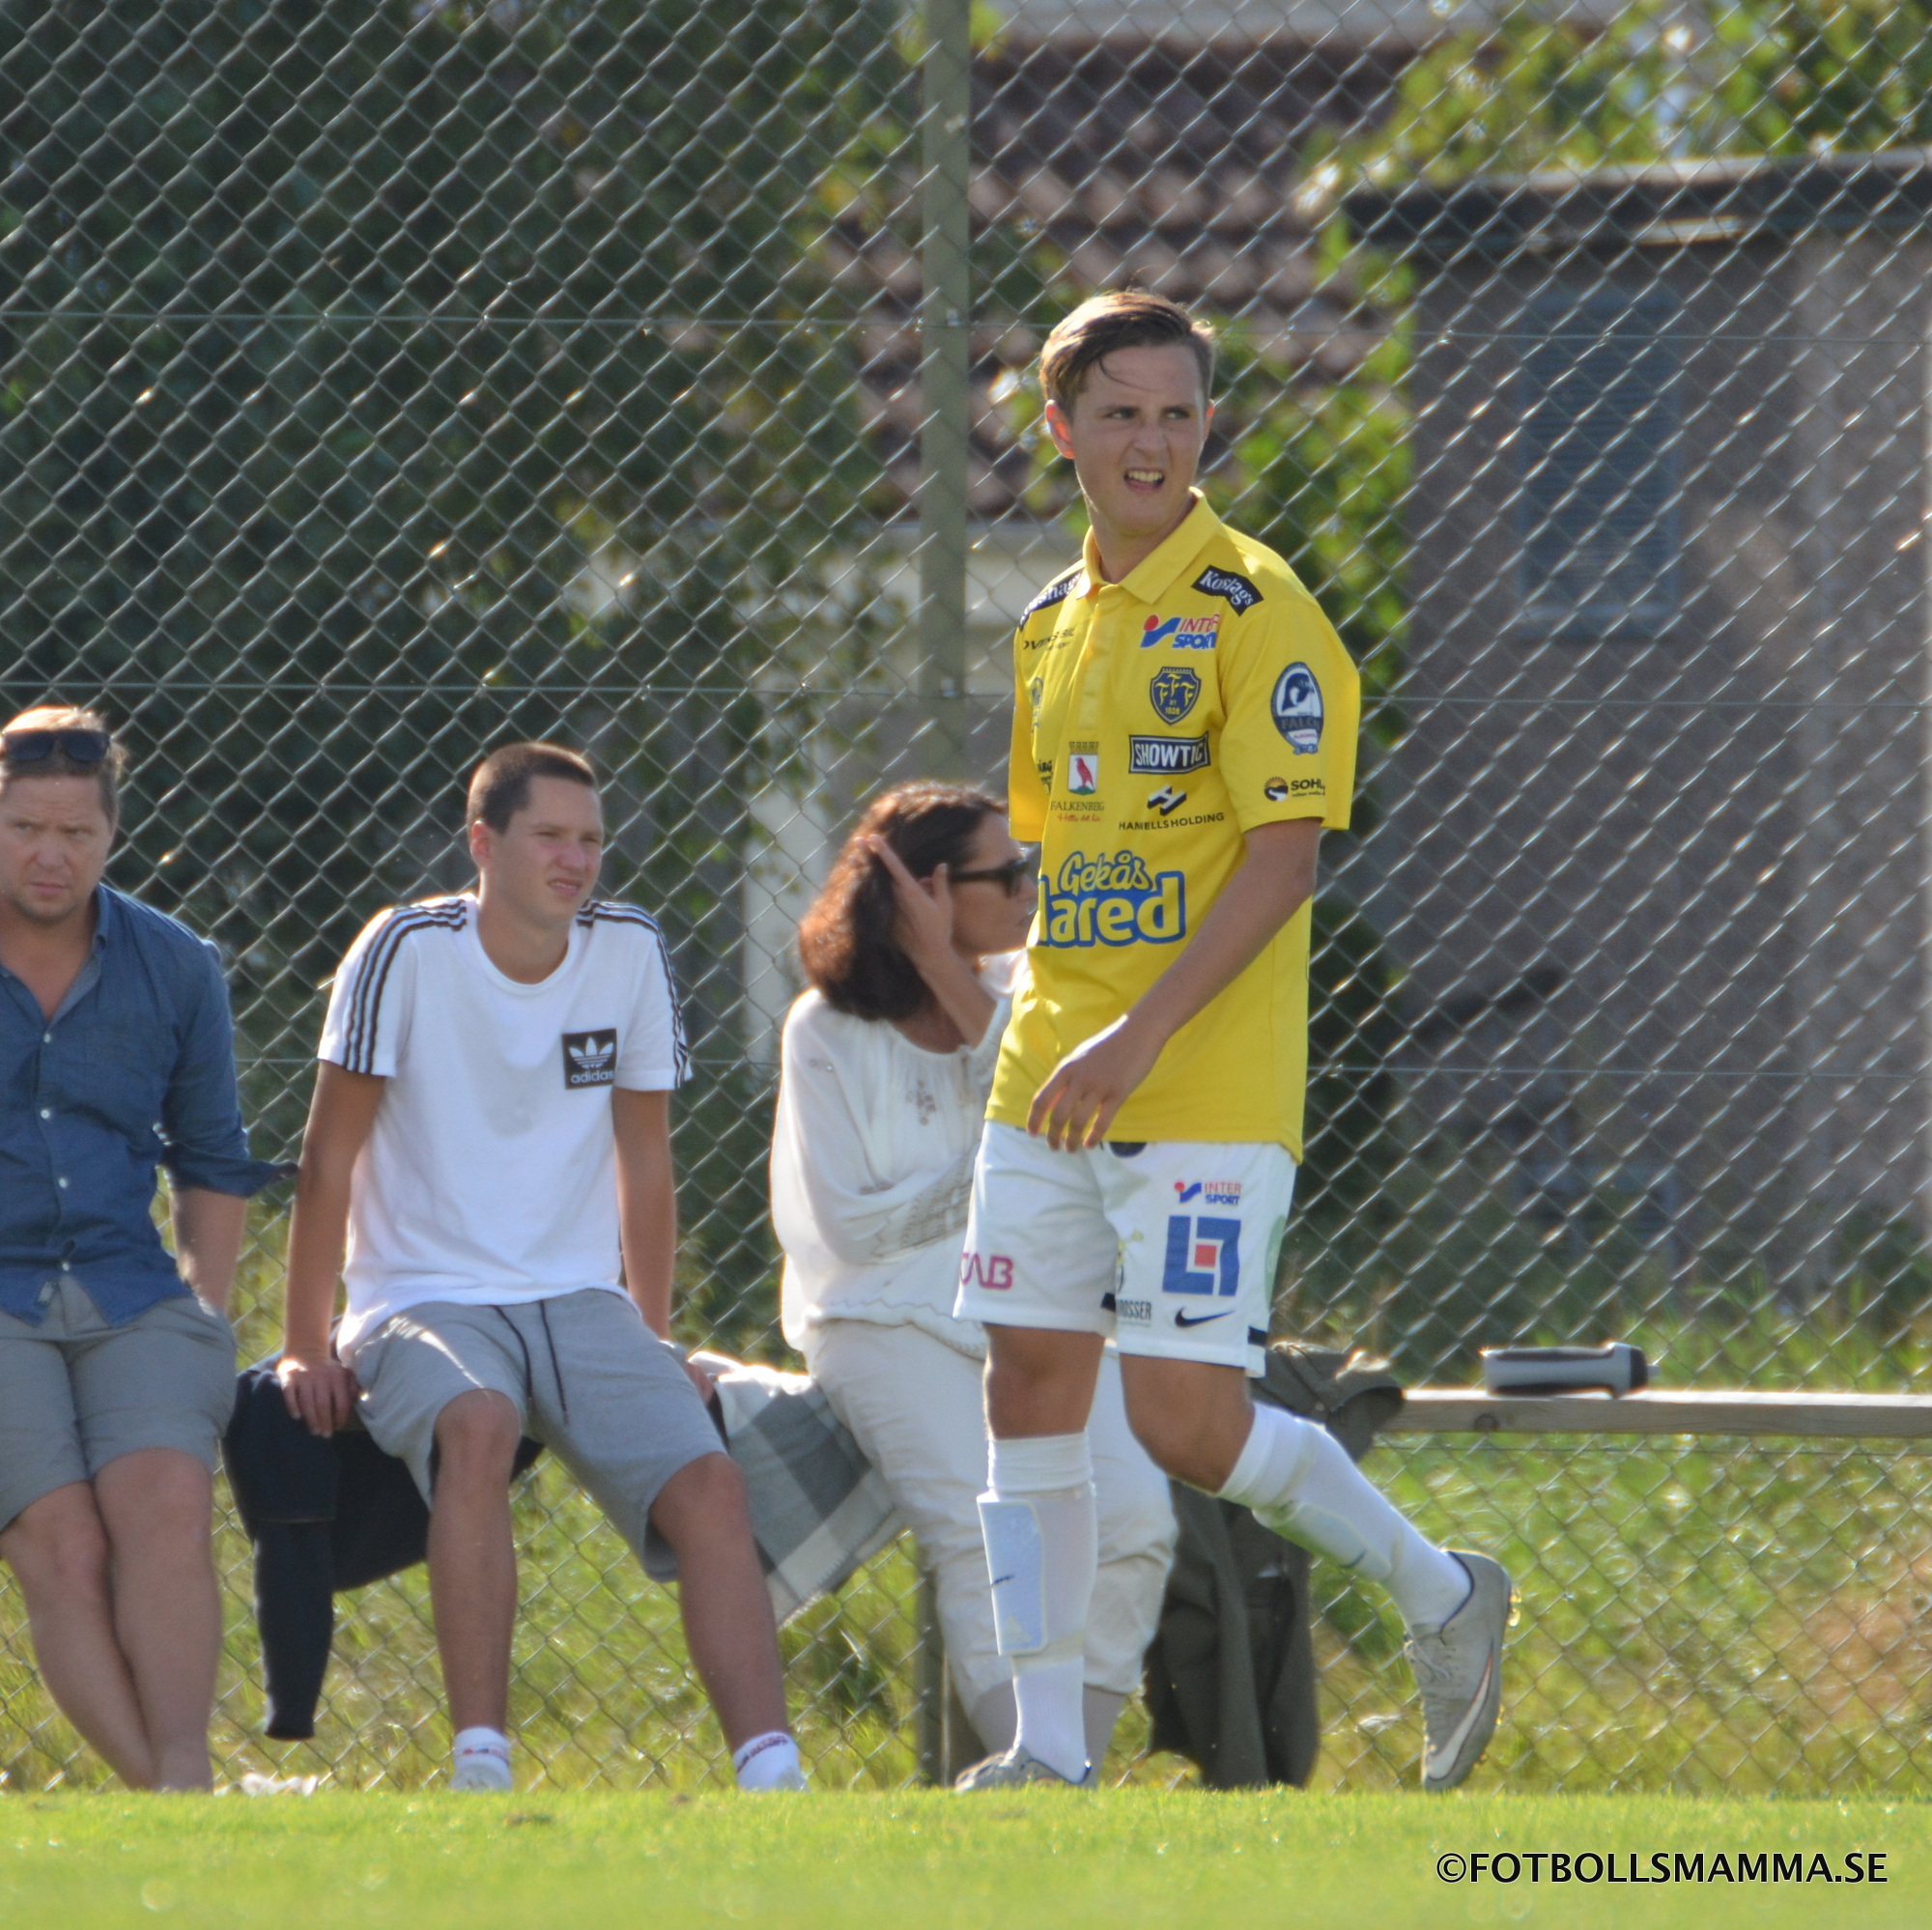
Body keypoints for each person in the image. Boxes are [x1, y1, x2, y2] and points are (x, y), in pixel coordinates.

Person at [952, 291, 1514, 1792]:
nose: (1152, 439)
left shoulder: (1264, 612)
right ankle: (1050, 1748)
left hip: (1196, 1085)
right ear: (1058, 430)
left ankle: (1441, 1590)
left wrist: (1136, 1037)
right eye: (1120, 411)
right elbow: (1061, 864)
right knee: (1023, 1382)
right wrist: (1037, 1022)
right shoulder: (1048, 625)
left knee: (1189, 1421)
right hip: (1047, 1069)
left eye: (1179, 412)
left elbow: (1283, 862)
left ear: (1211, 427)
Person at [275, 741, 804, 1793]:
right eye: (549, 836)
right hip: (423, 1298)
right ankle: (482, 1760)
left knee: (709, 1482)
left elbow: (643, 1162)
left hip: (580, 1301)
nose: (576, 860)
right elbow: (325, 1161)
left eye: (592, 840)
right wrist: (302, 1346)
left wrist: (652, 1340)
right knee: (477, 1423)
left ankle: (771, 1773)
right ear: (484, 843)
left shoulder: (630, 948)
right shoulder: (404, 950)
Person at [771, 782, 1175, 1774]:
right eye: (1006, 875)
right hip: (877, 1321)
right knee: (976, 1527)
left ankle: (1054, 1767)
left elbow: (1065, 1114)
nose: (1030, 889)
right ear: (930, 891)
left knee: (1136, 1517)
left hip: (1023, 1303)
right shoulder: (822, 1031)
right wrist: (1012, 1168)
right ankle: (1046, 1768)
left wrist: (948, 975)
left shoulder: (1030, 999)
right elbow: (853, 1228)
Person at [0, 705, 278, 1790]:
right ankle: (186, 1801)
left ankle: (179, 1791)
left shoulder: (177, 964)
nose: (48, 855)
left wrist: (205, 1314)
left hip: (129, 1286)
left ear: (112, 835)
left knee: (165, 1502)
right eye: (25, 827)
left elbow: (213, 1157)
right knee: (59, 1542)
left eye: (75, 833)